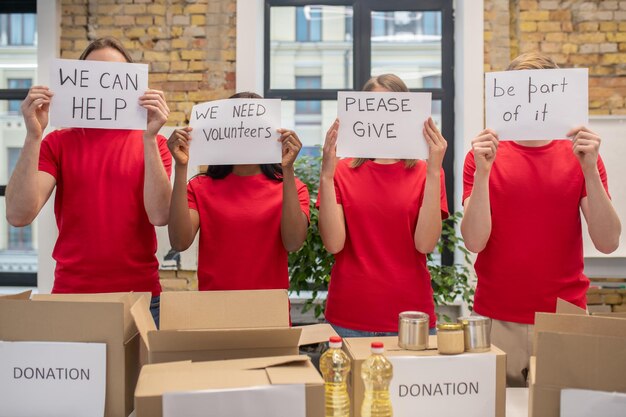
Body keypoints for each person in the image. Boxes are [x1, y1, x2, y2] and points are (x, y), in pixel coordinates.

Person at [461, 52, 621, 387]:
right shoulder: (482, 158)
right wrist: (483, 173)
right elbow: (474, 241)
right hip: (496, 316)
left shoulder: (581, 157)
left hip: (564, 315)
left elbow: (608, 242)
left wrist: (590, 168)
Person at [5, 37, 172, 326]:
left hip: (141, 300)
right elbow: (19, 215)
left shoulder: (155, 144)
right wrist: (34, 134)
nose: (103, 84)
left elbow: (159, 215)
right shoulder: (57, 142)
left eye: (116, 77)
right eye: (93, 76)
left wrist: (148, 137)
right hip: (71, 298)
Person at [318, 74, 449, 337]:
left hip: (411, 318)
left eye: (392, 107)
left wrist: (434, 169)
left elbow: (425, 244)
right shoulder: (340, 171)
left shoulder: (427, 172)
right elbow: (333, 244)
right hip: (350, 317)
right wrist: (326, 175)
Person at [167, 92, 309, 292]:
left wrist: (288, 168)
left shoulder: (291, 187)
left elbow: (294, 242)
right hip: (214, 308)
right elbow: (179, 242)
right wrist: (181, 167)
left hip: (268, 310)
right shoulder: (199, 188)